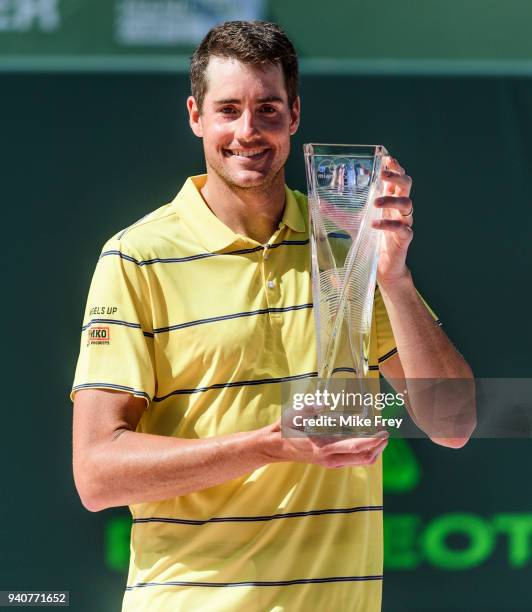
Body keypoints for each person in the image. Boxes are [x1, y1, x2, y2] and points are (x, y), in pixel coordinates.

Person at [71, 20, 474, 612]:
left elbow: (453, 421)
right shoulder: (136, 257)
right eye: (228, 109)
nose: (247, 131)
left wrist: (393, 276)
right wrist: (269, 445)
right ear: (195, 117)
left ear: (294, 116)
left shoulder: (348, 246)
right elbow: (98, 474)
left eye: (267, 108)